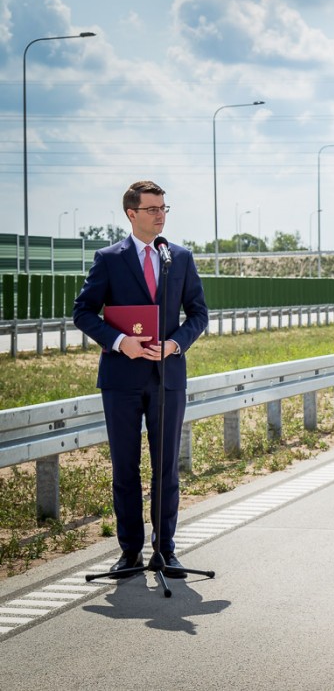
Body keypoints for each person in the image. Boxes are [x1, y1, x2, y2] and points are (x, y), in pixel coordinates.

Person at [73, 180, 208, 578]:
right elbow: (83, 312)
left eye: (164, 207)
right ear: (132, 214)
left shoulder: (178, 258)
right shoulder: (109, 258)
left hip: (167, 377)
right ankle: (129, 552)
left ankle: (165, 550)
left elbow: (198, 313)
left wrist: (174, 344)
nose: (160, 214)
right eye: (152, 209)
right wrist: (118, 341)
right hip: (121, 379)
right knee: (125, 467)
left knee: (166, 467)